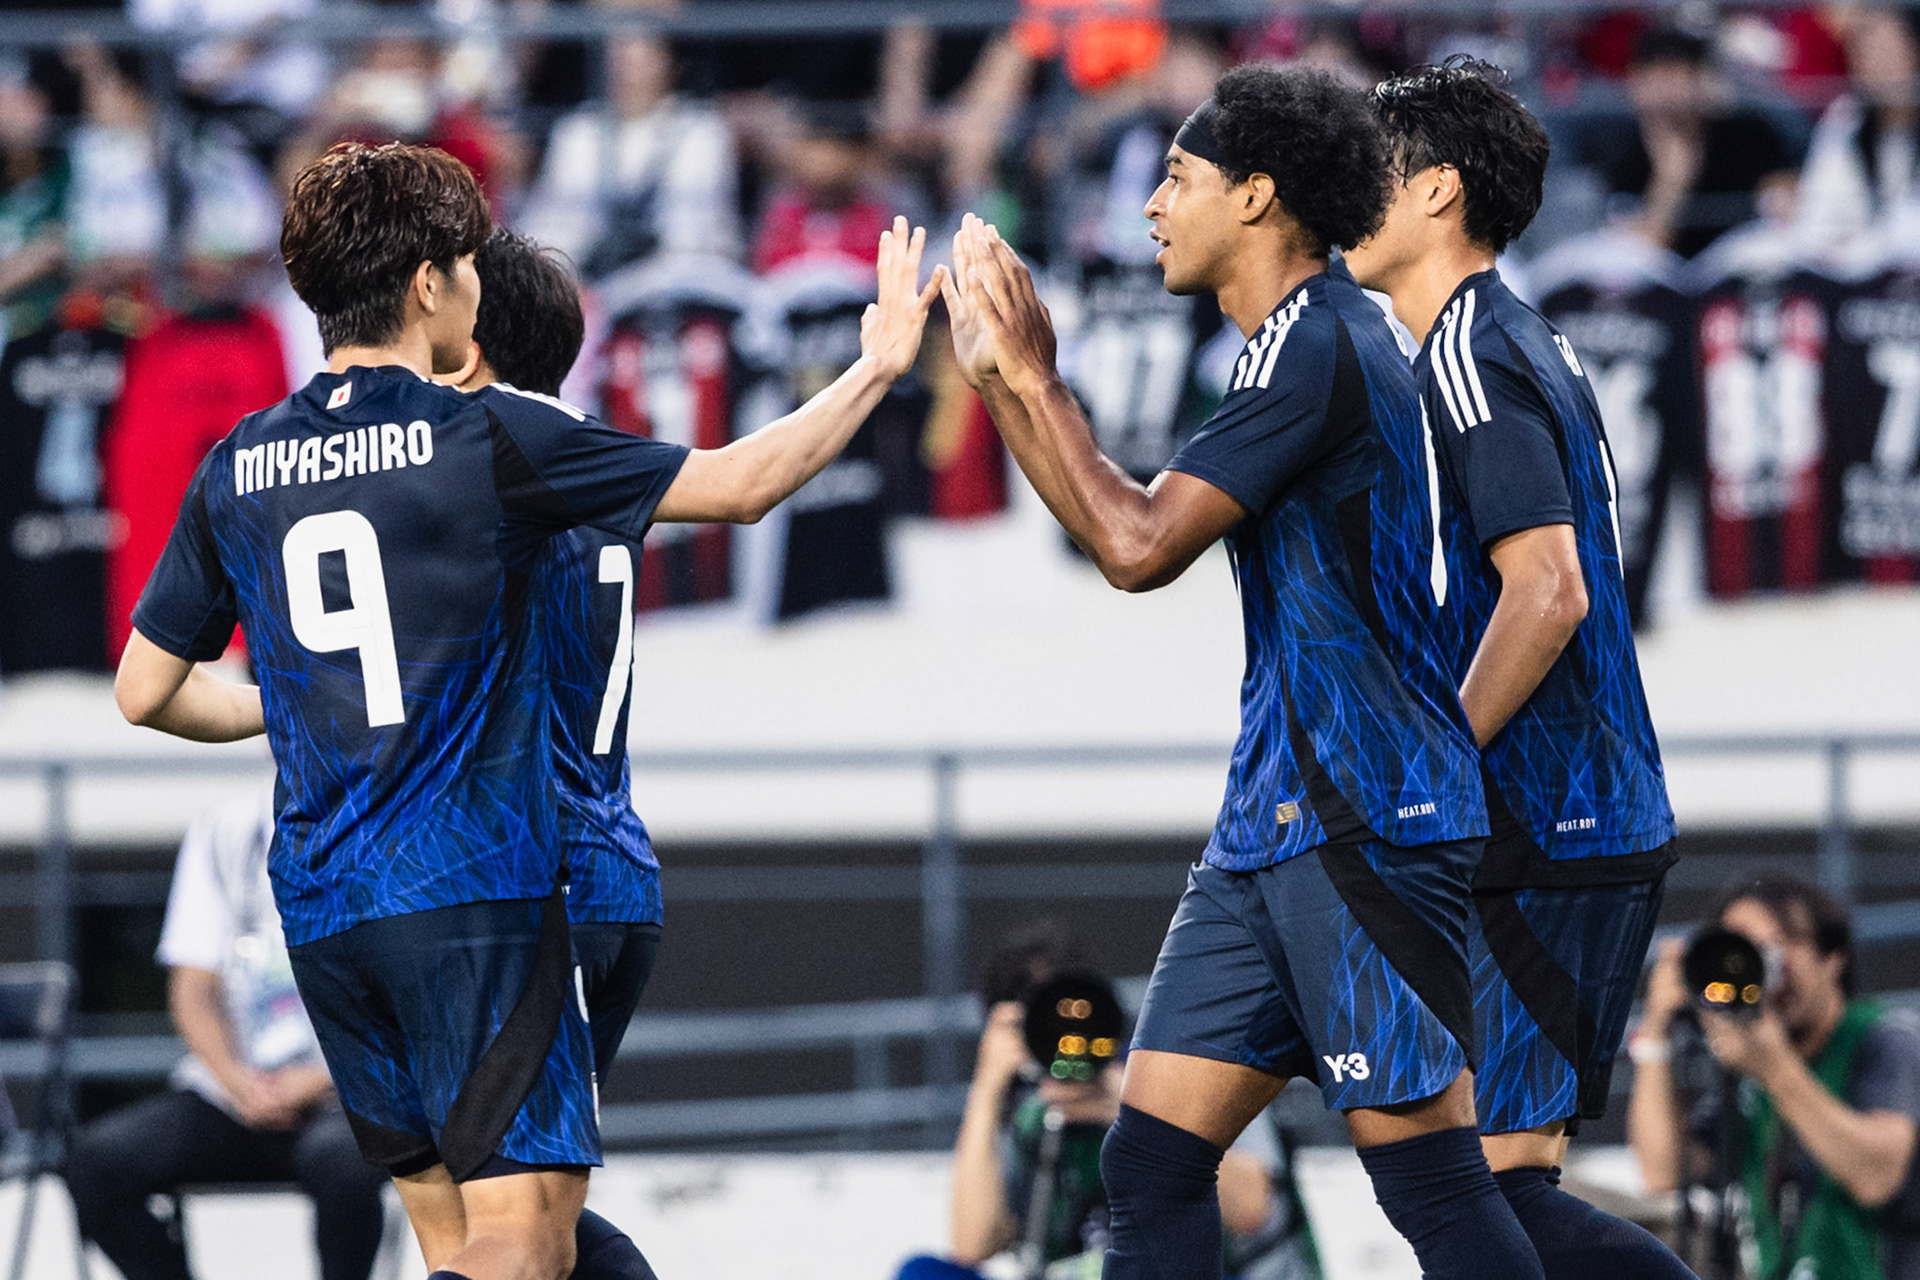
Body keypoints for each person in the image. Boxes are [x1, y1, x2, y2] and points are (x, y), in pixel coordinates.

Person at [112, 138, 940, 1280]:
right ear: (429, 285)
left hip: (320, 906)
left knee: (472, 1236)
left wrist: (290, 703)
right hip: (475, 896)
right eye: (462, 263)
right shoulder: (485, 432)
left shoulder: (239, 459)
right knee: (521, 1239)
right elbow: (741, 485)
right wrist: (879, 364)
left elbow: (144, 688)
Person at [944, 65, 1543, 1280]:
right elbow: (1123, 535)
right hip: (1275, 824)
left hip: (1360, 820)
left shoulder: (1315, 340)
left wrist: (1033, 374)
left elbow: (1136, 542)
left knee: (1433, 1184)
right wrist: (1006, 378)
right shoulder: (1298, 342)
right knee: (1151, 1162)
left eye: (1177, 176)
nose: (1153, 205)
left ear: (1258, 196)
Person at [1342, 56, 1688, 1280]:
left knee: (1490, 1196)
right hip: (1578, 812)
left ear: (1435, 191)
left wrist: (1436, 760)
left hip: (1551, 820)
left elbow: (1550, 587)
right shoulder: (1518, 336)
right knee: (1486, 1188)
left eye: (1365, 172)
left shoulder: (1469, 353)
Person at [449, 226, 661, 1280]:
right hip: (615, 871)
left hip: (536, 881)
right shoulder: (593, 450)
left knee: (504, 1226)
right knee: (536, 1214)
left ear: (468, 337)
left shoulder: (482, 455)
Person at [63, 790, 389, 1280]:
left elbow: (405, 1001)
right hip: (235, 1094)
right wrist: (238, 1082)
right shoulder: (225, 832)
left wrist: (321, 1077)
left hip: (347, 1096)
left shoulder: (385, 828)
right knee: (97, 1160)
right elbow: (192, 990)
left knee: (344, 1164)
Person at [1629, 877, 1920, 1280]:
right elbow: (1664, 1171)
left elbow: (1876, 1176)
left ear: (1832, 957)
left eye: (1785, 940)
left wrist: (1775, 1068)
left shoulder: (1885, 1039)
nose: (1768, 961)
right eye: (1745, 945)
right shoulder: (1748, 1063)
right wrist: (1657, 1035)